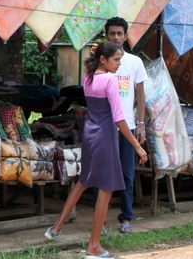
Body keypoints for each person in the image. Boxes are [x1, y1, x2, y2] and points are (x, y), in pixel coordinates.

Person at [44, 41, 148, 259]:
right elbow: (119, 119)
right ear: (103, 59)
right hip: (105, 137)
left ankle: (56, 227)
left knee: (83, 182)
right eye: (116, 60)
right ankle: (93, 246)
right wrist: (137, 146)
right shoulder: (110, 80)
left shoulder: (87, 77)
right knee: (106, 189)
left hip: (90, 135)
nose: (120, 64)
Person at [102, 16, 148, 234]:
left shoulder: (134, 62)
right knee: (102, 174)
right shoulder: (100, 63)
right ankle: (99, 219)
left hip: (127, 127)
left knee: (127, 174)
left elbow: (140, 94)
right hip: (104, 127)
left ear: (126, 36)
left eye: (120, 33)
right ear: (106, 36)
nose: (116, 37)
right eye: (112, 33)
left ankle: (126, 218)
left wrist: (140, 124)